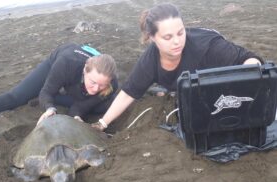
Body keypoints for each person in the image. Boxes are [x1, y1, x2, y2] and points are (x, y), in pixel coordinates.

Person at [92, 3, 263, 131]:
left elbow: (251, 60)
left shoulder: (210, 47)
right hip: (186, 88)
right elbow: (128, 93)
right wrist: (102, 123)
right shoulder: (150, 61)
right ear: (152, 38)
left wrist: (243, 87)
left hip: (220, 80)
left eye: (181, 33)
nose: (177, 41)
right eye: (167, 37)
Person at [0, 43, 118, 125]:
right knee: (18, 96)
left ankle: (53, 98)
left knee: (105, 106)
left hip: (79, 78)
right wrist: (49, 108)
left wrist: (75, 117)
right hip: (62, 59)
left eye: (101, 85)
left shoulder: (112, 84)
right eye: (93, 82)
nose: (95, 89)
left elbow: (81, 106)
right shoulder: (66, 64)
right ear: (85, 71)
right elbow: (47, 92)